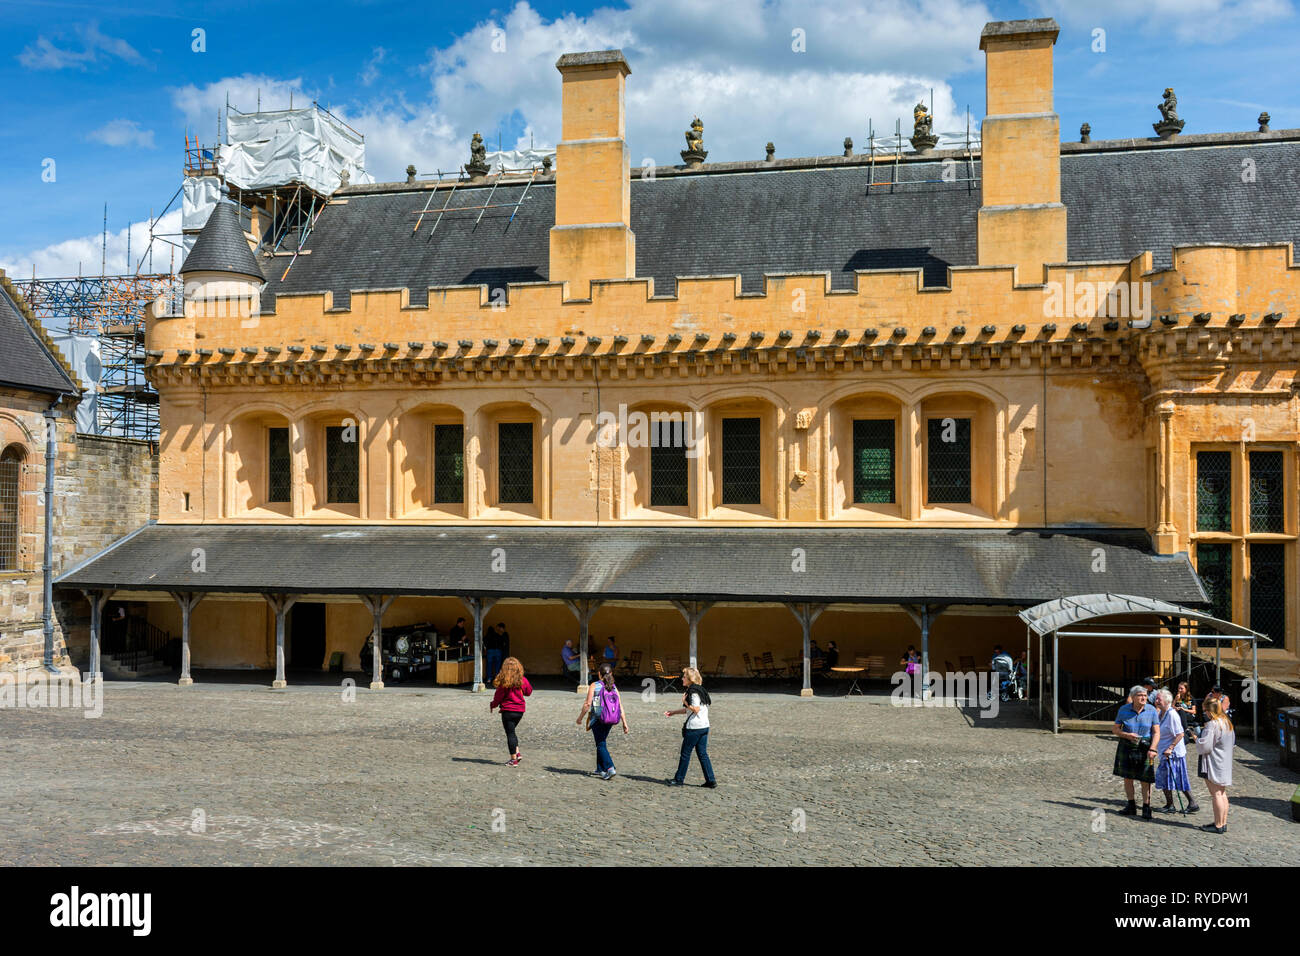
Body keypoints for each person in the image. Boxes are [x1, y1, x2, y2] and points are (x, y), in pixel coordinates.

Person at [1113, 685, 1162, 819]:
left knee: (1145, 779)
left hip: (1145, 747)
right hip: (1127, 745)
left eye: (1145, 696)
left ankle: (1146, 807)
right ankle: (1131, 805)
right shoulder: (1123, 710)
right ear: (1133, 697)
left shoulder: (1151, 710)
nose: (1143, 698)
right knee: (1128, 777)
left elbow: (1156, 732)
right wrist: (1126, 735)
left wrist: (1153, 748)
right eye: (1140, 695)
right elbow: (1115, 730)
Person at [576, 661, 629, 780]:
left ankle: (610, 768)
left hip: (598, 719)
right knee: (601, 741)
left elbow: (587, 704)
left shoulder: (595, 685)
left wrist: (580, 718)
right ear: (611, 673)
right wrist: (625, 723)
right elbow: (620, 706)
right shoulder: (614, 687)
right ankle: (600, 769)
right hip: (611, 719)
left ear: (599, 674)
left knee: (600, 744)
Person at [664, 666, 716, 788]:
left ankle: (679, 779)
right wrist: (673, 712)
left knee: (685, 754)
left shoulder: (692, 692)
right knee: (702, 754)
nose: (682, 679)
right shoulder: (701, 689)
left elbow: (695, 709)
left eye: (684, 677)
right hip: (704, 726)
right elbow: (690, 710)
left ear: (689, 679)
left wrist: (685, 701)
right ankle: (711, 780)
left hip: (694, 728)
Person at [1153, 689, 1199, 814]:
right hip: (1164, 752)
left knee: (1177, 778)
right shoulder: (1161, 713)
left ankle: (1190, 802)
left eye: (1159, 699)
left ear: (1167, 701)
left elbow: (1180, 734)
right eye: (1156, 699)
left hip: (1173, 754)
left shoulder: (1172, 714)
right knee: (1165, 778)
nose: (1156, 701)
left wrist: (1170, 747)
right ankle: (1170, 804)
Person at [1196, 697, 1235, 834]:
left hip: (1214, 762)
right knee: (1222, 793)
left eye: (1205, 711)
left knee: (1216, 794)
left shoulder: (1213, 724)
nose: (1204, 713)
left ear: (1210, 711)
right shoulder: (1227, 722)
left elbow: (1205, 746)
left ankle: (1218, 824)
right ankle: (1222, 822)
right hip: (1224, 762)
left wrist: (1197, 739)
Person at [488, 657, 532, 767]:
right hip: (520, 711)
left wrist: (493, 704)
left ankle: (513, 760)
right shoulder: (522, 680)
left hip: (508, 711)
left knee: (510, 734)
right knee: (512, 732)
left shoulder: (504, 681)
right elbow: (529, 691)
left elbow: (498, 697)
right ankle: (517, 752)